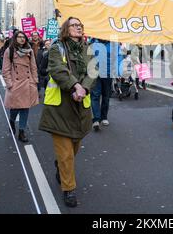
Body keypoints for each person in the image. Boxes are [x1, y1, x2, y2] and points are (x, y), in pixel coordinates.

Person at [39, 17, 96, 208]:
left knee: (74, 148)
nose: (78, 27)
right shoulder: (57, 47)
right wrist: (75, 86)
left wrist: (84, 89)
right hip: (60, 107)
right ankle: (68, 188)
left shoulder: (88, 49)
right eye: (74, 25)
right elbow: (57, 69)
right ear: (66, 29)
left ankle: (61, 168)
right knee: (66, 155)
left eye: (80, 25)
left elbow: (93, 71)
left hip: (80, 107)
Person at [2, 31, 39, 143]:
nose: (22, 39)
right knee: (15, 108)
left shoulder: (30, 51)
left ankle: (22, 132)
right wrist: (10, 84)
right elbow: (5, 70)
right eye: (19, 37)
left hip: (28, 83)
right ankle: (12, 121)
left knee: (25, 108)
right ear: (15, 38)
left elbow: (33, 67)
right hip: (16, 84)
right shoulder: (10, 51)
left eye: (24, 37)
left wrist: (35, 81)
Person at [90, 39, 123, 131]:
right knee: (95, 95)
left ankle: (104, 117)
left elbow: (119, 58)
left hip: (108, 73)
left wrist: (118, 72)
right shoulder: (93, 42)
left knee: (106, 95)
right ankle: (96, 119)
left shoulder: (115, 44)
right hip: (95, 73)